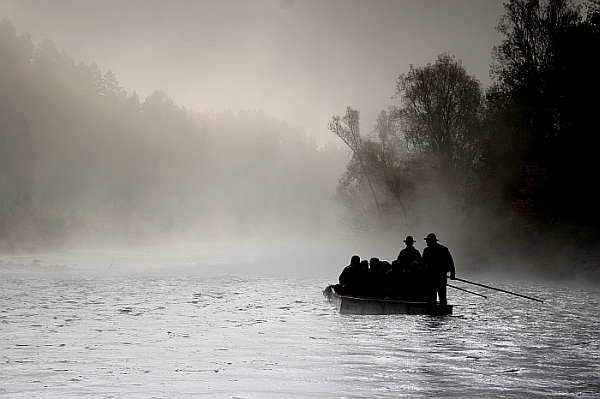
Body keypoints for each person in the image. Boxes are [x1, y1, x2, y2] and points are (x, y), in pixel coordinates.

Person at [421, 233, 455, 305]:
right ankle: (442, 309)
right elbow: (450, 263)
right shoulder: (443, 249)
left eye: (427, 241)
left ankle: (433, 310)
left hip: (432, 277)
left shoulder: (427, 250)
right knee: (442, 296)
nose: (426, 243)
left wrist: (423, 274)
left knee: (432, 297)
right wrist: (452, 274)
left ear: (430, 241)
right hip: (440, 276)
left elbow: (423, 264)